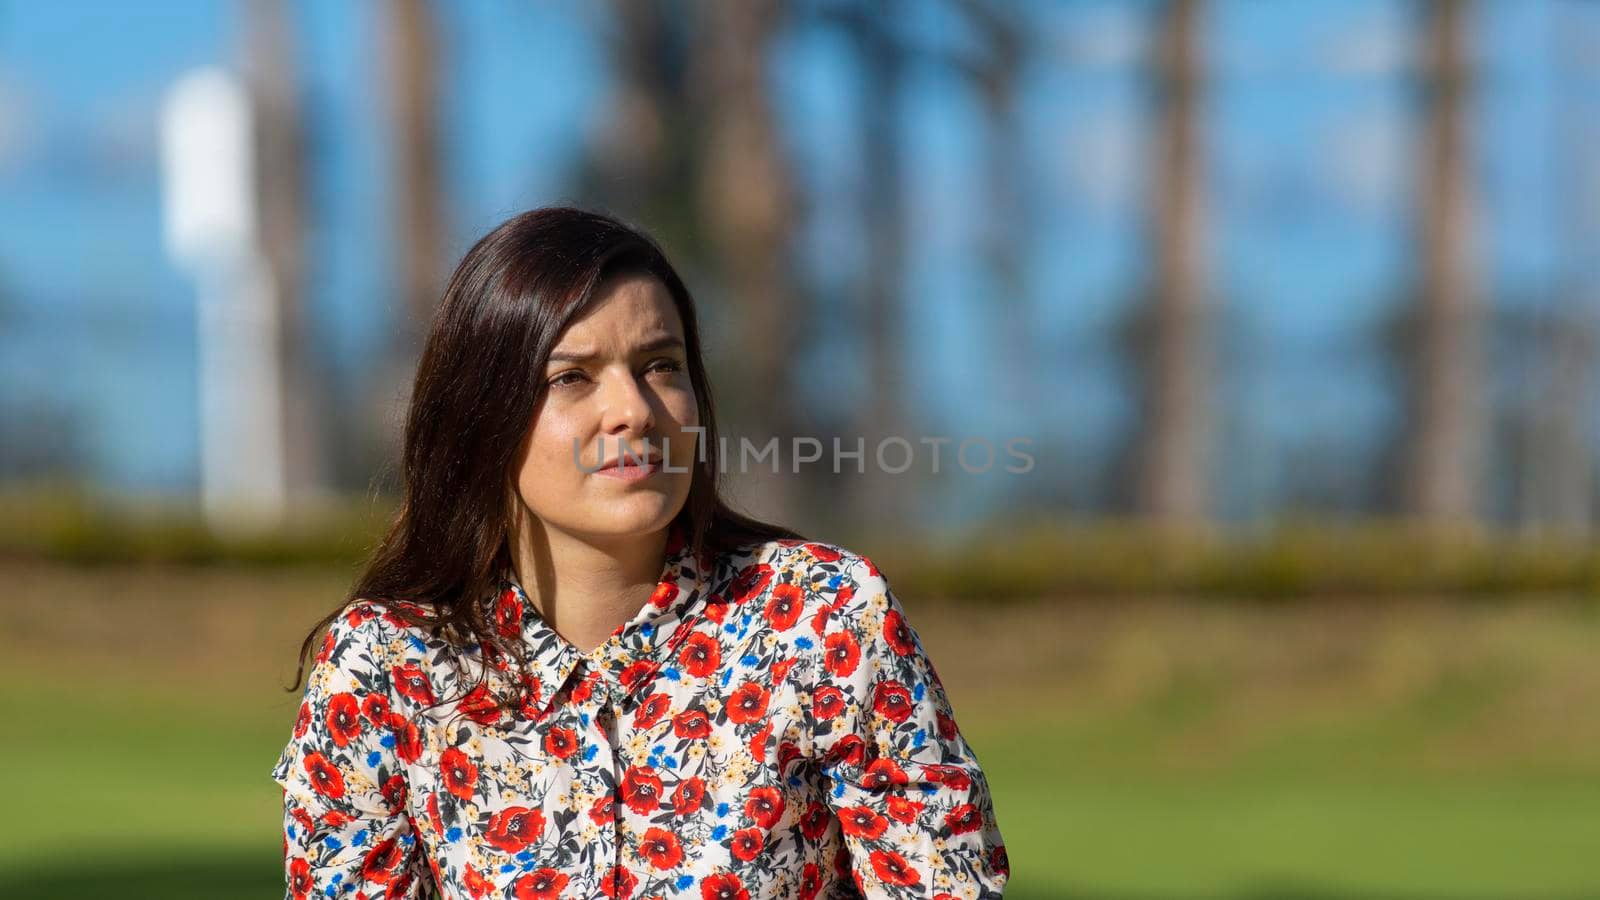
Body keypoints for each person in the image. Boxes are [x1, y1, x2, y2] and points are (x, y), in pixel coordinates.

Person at [271, 207, 1009, 899]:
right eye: (571, 377)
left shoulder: (824, 622)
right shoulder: (383, 668)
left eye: (661, 365)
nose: (632, 410)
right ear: (480, 415)